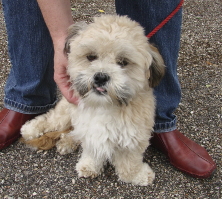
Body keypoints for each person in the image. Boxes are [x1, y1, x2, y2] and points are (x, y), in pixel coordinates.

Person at [0, 0, 216, 178]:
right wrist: (60, 39)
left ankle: (161, 122)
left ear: (150, 68)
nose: (101, 74)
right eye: (91, 57)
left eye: (122, 63)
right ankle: (27, 99)